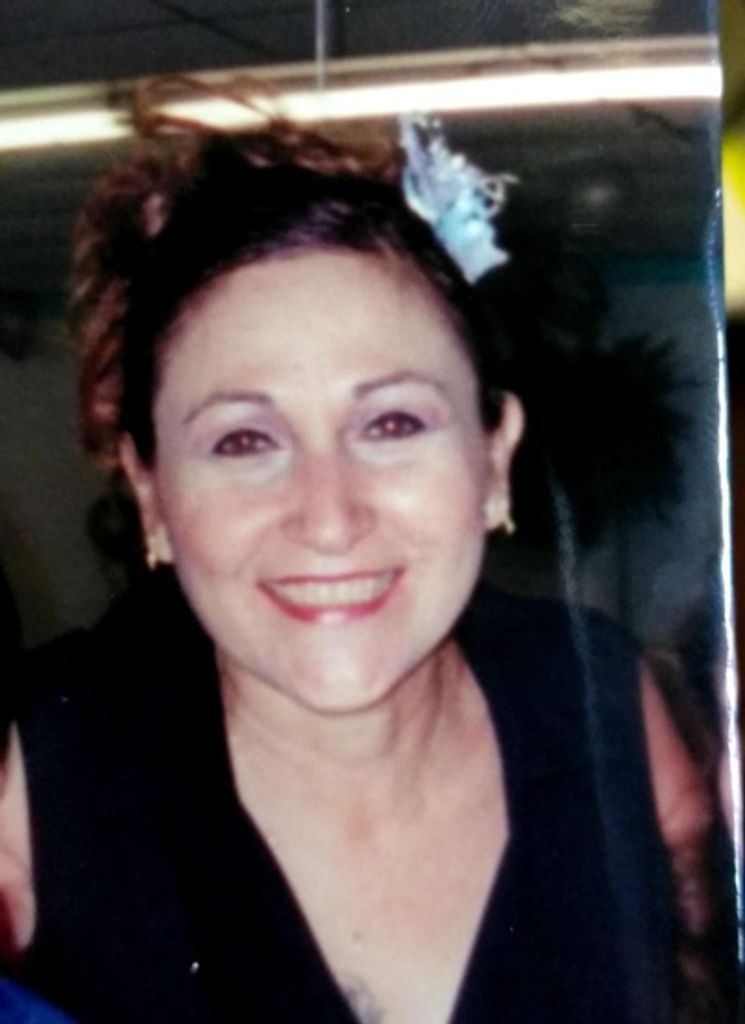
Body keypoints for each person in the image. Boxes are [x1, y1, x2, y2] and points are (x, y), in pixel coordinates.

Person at [0, 118, 729, 1024]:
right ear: (150, 495)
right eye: (244, 440)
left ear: (493, 459)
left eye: (391, 424)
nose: (329, 518)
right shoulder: (43, 773)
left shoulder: (597, 703)